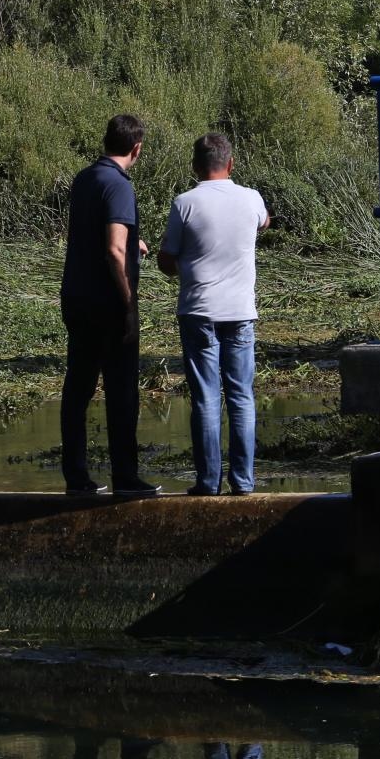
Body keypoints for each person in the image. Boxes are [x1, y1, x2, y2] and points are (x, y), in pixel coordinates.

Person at [157, 133, 269, 497]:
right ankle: (244, 482)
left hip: (198, 311)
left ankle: (208, 483)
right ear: (231, 163)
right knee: (241, 396)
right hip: (240, 312)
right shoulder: (251, 198)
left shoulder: (184, 203)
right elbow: (264, 222)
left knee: (206, 398)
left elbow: (167, 260)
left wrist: (183, 264)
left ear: (195, 167)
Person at [59, 114, 161, 498]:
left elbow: (96, 233)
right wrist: (130, 301)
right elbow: (113, 249)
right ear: (136, 149)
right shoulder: (119, 186)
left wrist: (134, 244)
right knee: (121, 392)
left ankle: (77, 478)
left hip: (75, 297)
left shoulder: (84, 179)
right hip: (107, 303)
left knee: (78, 390)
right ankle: (126, 478)